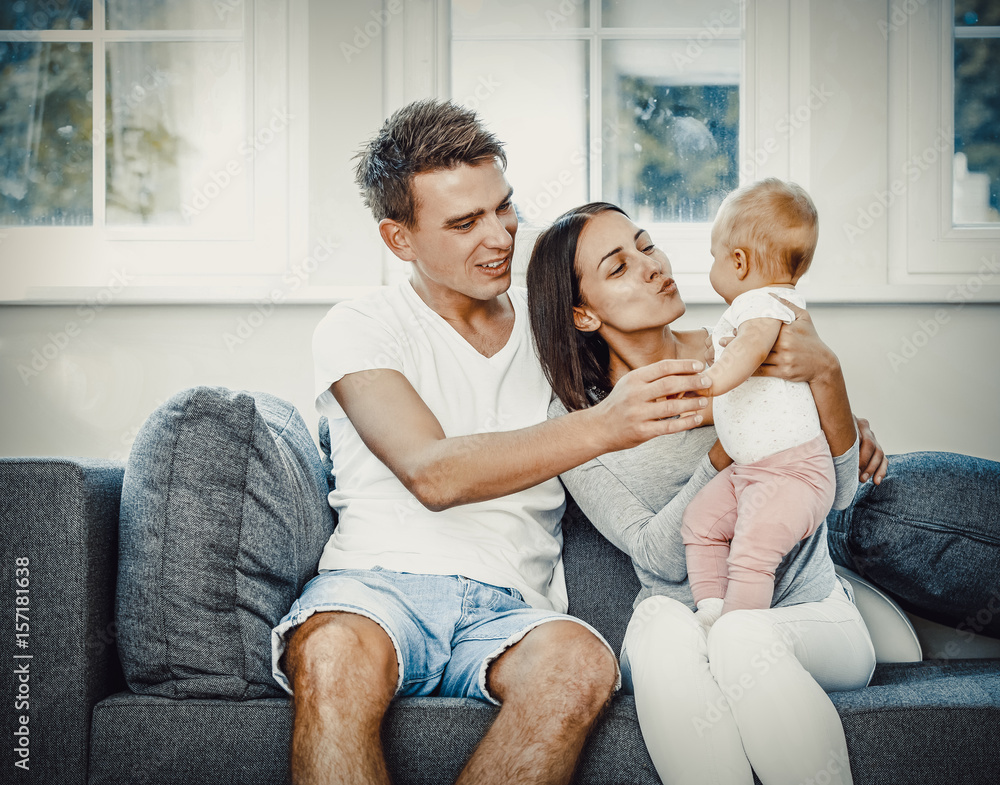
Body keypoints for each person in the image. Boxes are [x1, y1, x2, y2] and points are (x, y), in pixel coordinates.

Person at [269, 100, 717, 785]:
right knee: (331, 658)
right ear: (400, 239)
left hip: (515, 606)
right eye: (463, 222)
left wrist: (810, 414)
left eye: (503, 207)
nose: (500, 236)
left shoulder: (553, 324)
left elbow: (690, 357)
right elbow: (431, 473)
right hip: (376, 587)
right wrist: (603, 422)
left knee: (581, 667)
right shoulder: (361, 325)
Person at [527, 201, 880, 785]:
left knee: (742, 635)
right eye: (618, 268)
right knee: (664, 623)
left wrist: (828, 377)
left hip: (810, 616)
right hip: (683, 622)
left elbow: (837, 497)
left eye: (646, 244)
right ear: (583, 315)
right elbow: (655, 556)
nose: (652, 265)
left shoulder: (749, 346)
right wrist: (724, 457)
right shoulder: (580, 422)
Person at [681, 178, 838, 626]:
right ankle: (712, 611)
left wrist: (710, 378)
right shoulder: (755, 306)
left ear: (739, 261)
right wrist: (697, 405)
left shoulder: (765, 305)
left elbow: (748, 354)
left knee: (750, 552)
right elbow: (746, 397)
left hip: (792, 474)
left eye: (714, 257)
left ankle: (738, 632)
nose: (712, 266)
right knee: (701, 523)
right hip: (752, 471)